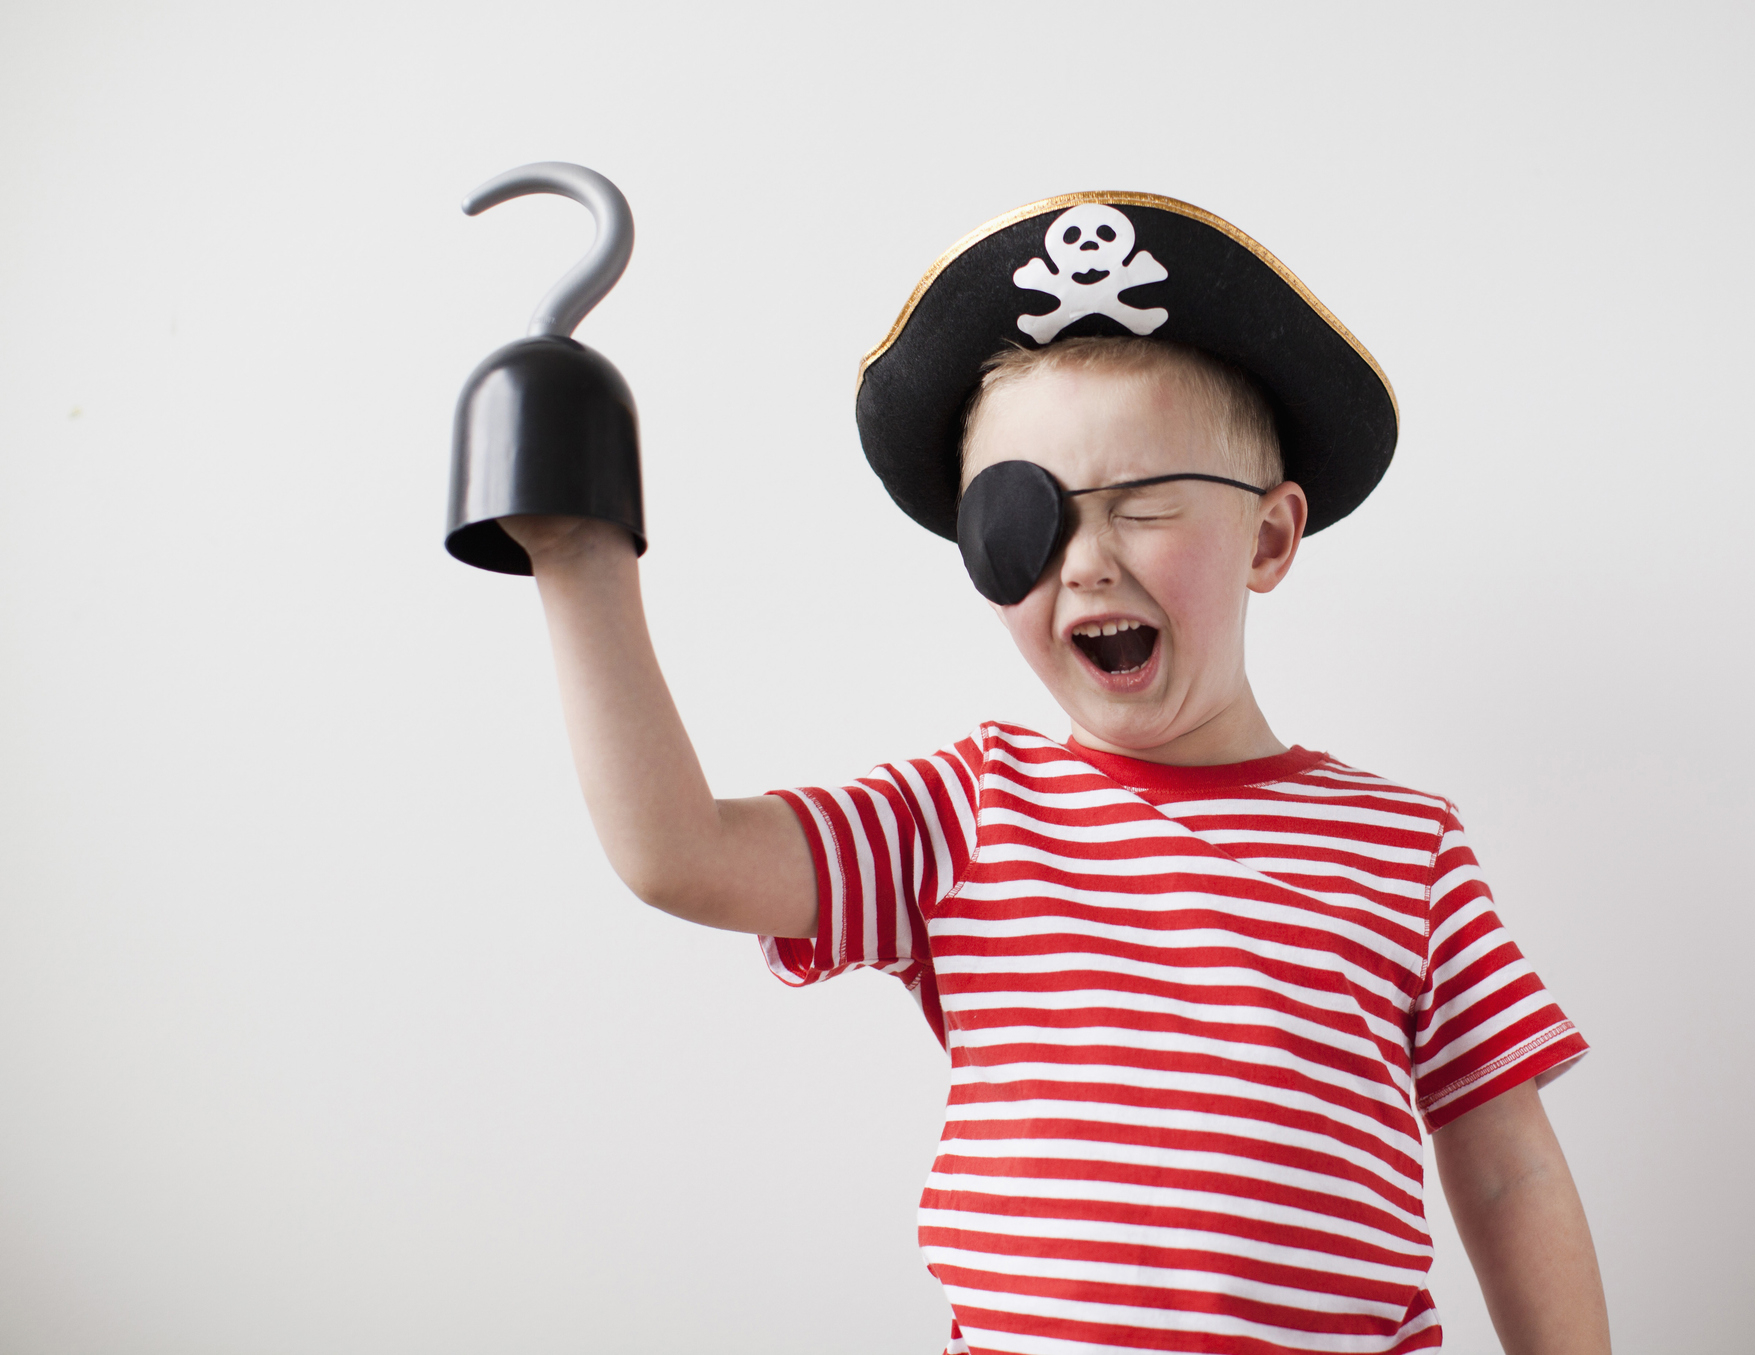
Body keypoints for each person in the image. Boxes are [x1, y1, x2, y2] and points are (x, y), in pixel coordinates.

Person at [498, 194, 1611, 1354]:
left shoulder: (1404, 850)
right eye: (1023, 521)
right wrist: (579, 560)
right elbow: (681, 852)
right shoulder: (966, 815)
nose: (1084, 564)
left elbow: (1507, 1173)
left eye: (1143, 505)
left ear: (1270, 538)